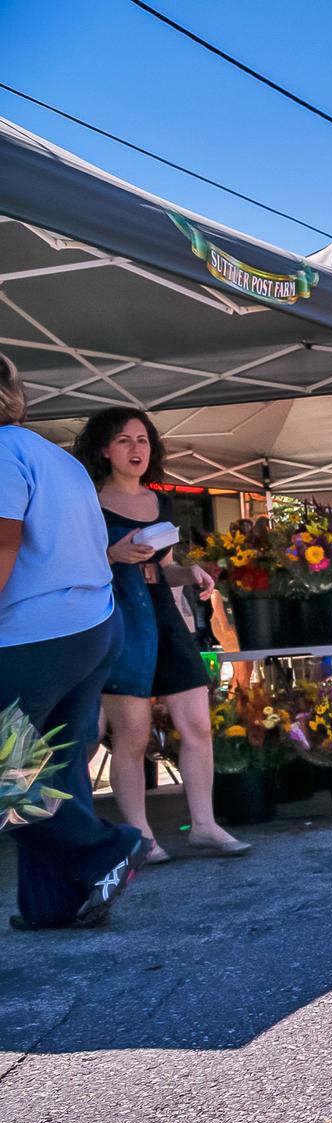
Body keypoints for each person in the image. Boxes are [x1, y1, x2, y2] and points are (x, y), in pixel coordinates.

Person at [0, 353, 142, 929]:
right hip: (91, 628)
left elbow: (3, 547)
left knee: (9, 773)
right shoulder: (53, 456)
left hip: (36, 638)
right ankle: (52, 904)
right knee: (49, 768)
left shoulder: (2, 454)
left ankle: (101, 845)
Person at [79, 407, 248, 863]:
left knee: (196, 725)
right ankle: (140, 834)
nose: (136, 449)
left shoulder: (162, 501)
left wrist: (188, 572)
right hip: (121, 621)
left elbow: (162, 567)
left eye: (143, 440)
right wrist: (111, 553)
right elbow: (76, 567)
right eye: (124, 440)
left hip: (165, 620)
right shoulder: (87, 502)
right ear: (103, 449)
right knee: (131, 736)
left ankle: (205, 825)